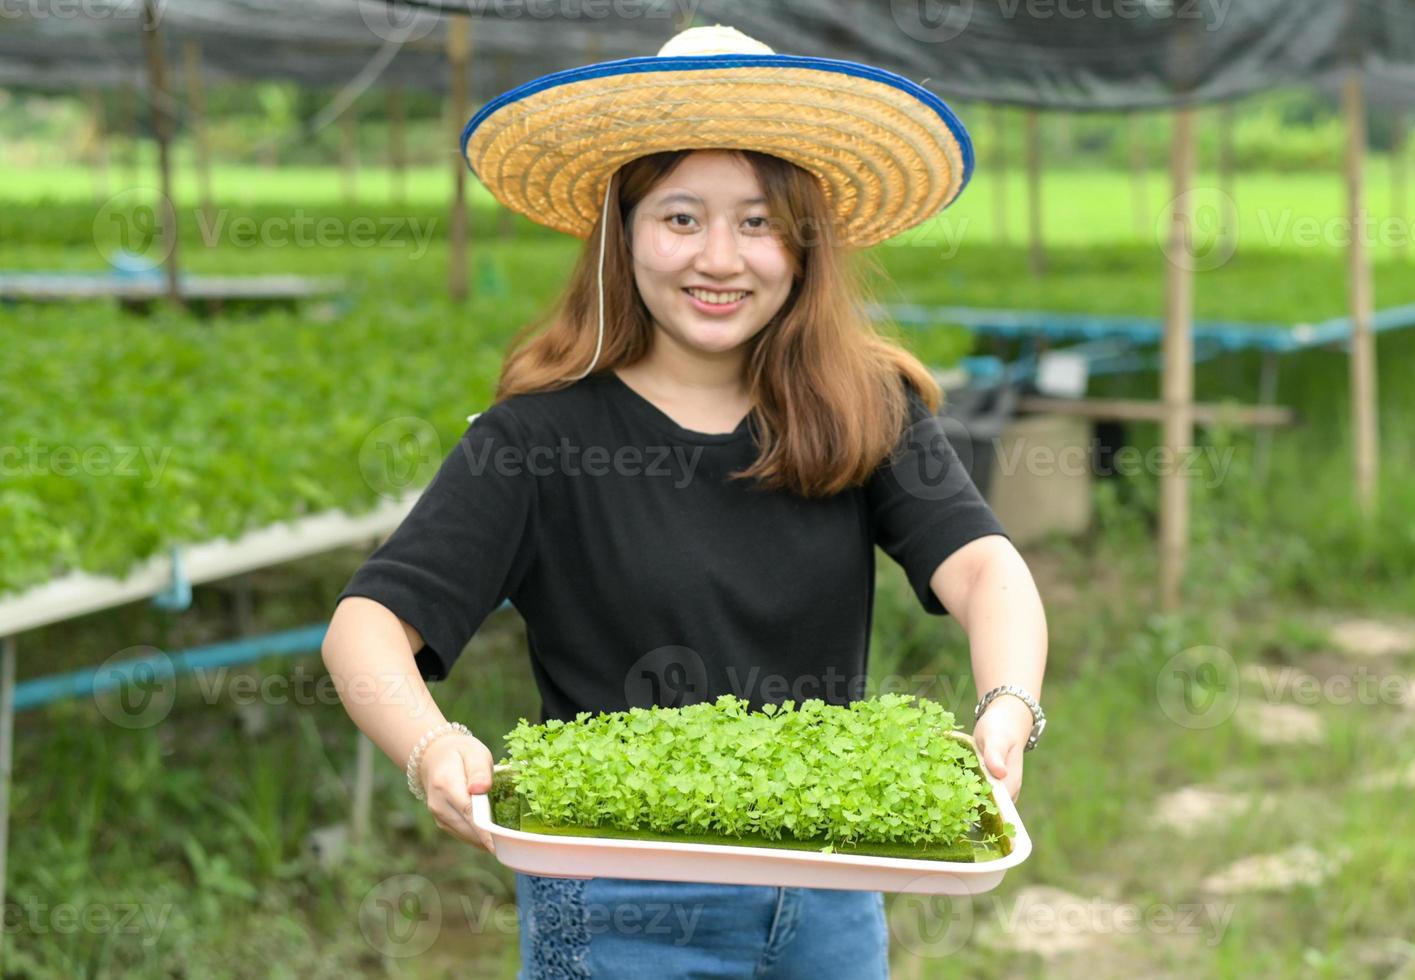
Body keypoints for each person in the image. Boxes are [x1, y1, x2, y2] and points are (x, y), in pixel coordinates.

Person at [320, 24, 1050, 979]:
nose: (719, 258)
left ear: (804, 245)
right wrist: (431, 748)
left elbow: (986, 567)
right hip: (616, 894)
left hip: (830, 885)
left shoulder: (862, 409)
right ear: (621, 235)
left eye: (757, 222)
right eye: (679, 218)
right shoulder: (537, 441)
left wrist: (1007, 705)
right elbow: (365, 627)